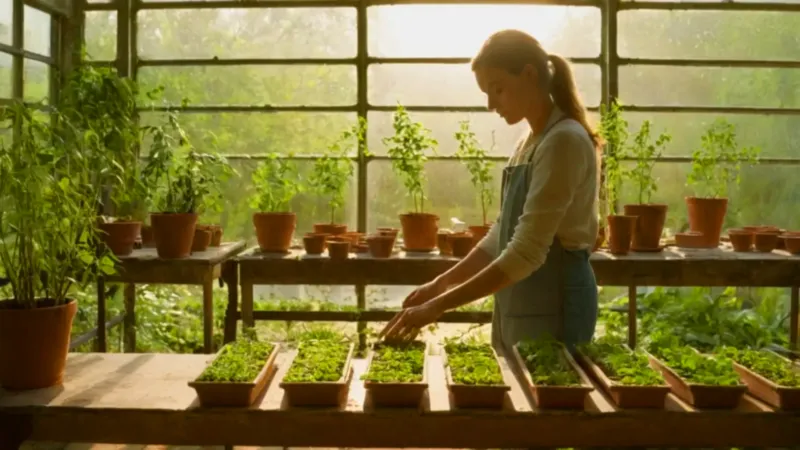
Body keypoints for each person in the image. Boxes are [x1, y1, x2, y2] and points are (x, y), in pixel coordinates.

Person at [380, 29, 602, 352]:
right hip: (524, 301)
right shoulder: (528, 142)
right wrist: (438, 284)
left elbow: (526, 252)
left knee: (553, 393)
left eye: (497, 89)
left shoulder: (563, 140)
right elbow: (502, 234)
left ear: (529, 74)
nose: (490, 104)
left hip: (558, 303)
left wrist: (437, 306)